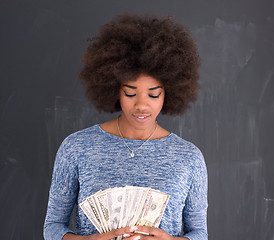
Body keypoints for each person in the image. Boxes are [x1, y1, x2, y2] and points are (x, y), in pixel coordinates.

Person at [43, 14, 208, 240]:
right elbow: (52, 227)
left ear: (169, 92)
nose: (141, 105)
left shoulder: (189, 158)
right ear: (113, 89)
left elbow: (200, 233)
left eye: (153, 94)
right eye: (130, 93)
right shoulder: (76, 147)